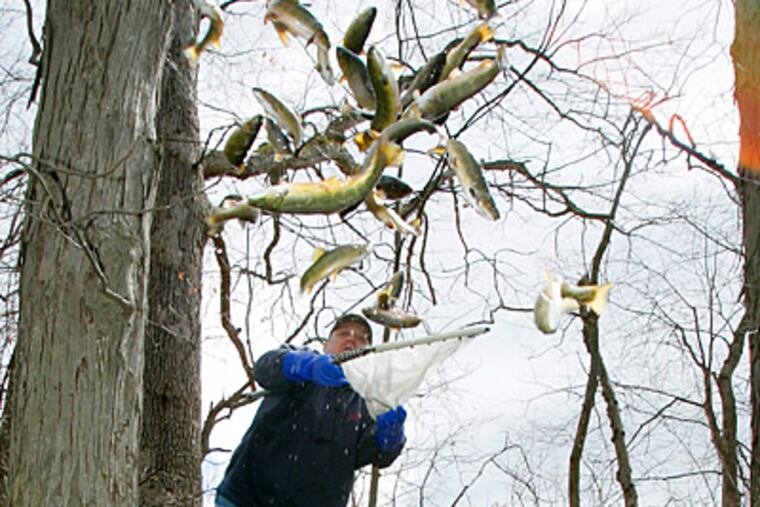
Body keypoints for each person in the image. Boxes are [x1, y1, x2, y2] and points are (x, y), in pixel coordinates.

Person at [215, 314, 407, 507]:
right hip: (246, 499)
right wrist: (305, 366)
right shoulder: (302, 361)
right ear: (326, 345)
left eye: (361, 338)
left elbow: (376, 455)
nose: (352, 339)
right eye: (344, 333)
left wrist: (391, 437)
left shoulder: (368, 402)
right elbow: (265, 368)